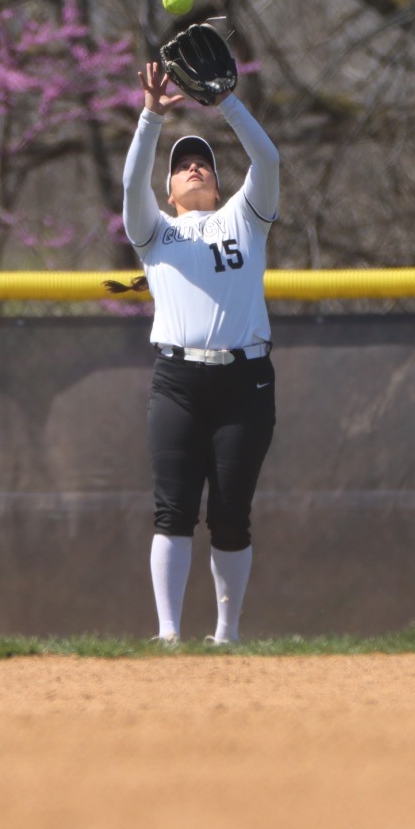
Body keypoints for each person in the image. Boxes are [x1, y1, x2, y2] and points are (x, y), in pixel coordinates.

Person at [122, 51, 280, 644]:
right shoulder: (155, 230)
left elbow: (267, 158)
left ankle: (227, 636)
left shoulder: (247, 218)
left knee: (231, 515)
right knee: (173, 510)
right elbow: (130, 182)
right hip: (179, 383)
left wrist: (228, 105)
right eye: (183, 165)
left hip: (246, 382)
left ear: (218, 181)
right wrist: (150, 118)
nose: (194, 168)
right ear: (168, 187)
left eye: (204, 164)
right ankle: (167, 636)